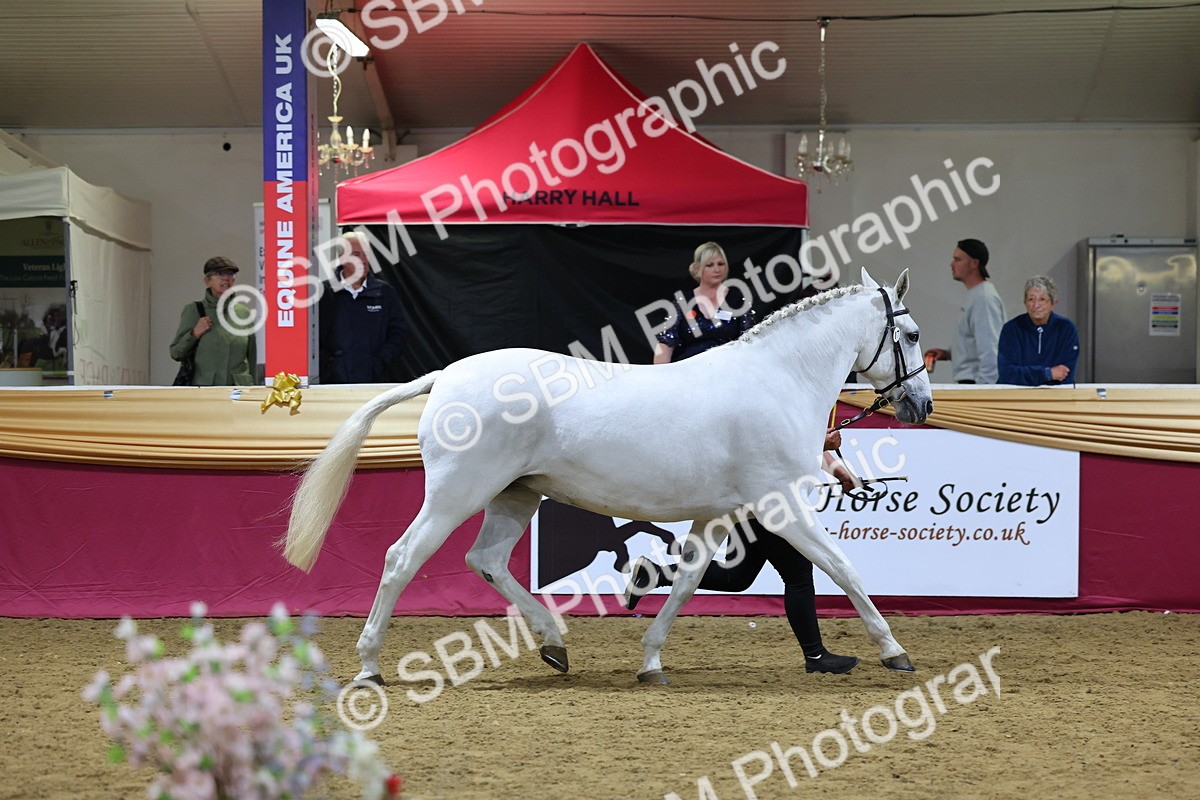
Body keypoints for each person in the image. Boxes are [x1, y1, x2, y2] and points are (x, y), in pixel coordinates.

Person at [625, 241, 862, 675]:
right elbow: (662, 362)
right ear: (696, 270)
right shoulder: (683, 314)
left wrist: (829, 460)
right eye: (710, 263)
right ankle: (816, 655)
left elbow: (758, 357)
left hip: (737, 423)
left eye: (722, 263)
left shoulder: (740, 310)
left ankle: (659, 575)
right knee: (790, 570)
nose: (718, 269)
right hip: (704, 419)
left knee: (740, 575)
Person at [319, 231, 407, 383]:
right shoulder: (325, 293)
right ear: (342, 258)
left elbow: (399, 333)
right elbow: (314, 338)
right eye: (357, 254)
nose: (364, 260)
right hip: (333, 382)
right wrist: (330, 365)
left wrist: (379, 361)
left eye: (366, 254)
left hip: (374, 380)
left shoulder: (384, 293)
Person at [923, 238, 1005, 384]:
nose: (951, 264)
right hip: (972, 383)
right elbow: (974, 341)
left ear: (974, 263)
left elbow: (990, 351)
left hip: (976, 384)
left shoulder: (983, 298)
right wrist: (948, 353)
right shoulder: (977, 295)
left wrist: (983, 392)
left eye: (958, 259)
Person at [168, 256, 256, 385]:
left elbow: (252, 356)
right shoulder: (194, 311)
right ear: (207, 281)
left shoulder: (244, 313)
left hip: (239, 390)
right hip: (205, 391)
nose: (226, 278)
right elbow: (176, 353)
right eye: (220, 274)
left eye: (230, 274)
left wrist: (256, 390)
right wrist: (194, 333)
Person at [997, 275, 1079, 386]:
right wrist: (1047, 374)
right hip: (1016, 397)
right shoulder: (1011, 329)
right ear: (1025, 302)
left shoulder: (1066, 328)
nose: (1036, 305)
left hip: (1055, 397)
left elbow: (1064, 375)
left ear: (1053, 304)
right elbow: (1007, 374)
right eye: (1031, 299)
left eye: (1042, 299)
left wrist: (1026, 375)